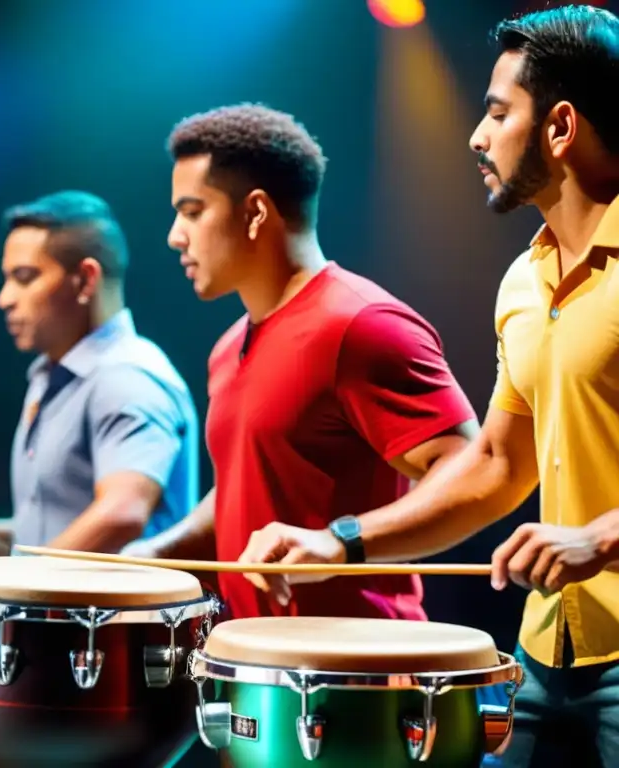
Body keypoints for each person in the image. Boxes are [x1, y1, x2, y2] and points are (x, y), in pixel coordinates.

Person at [237, 6, 619, 766]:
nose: (477, 136)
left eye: (499, 112)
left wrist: (598, 536)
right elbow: (497, 466)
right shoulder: (521, 283)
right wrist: (341, 540)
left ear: (561, 127)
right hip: (547, 653)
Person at [124, 103, 478, 625]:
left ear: (257, 211)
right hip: (255, 671)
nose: (175, 235)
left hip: (357, 677)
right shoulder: (227, 346)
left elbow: (469, 468)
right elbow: (251, 486)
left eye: (193, 211)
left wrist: (342, 542)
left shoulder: (362, 323)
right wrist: (157, 554)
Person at [0, 191, 199, 556]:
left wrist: (17, 579)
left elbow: (122, 513)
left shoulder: (126, 377)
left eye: (25, 277)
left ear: (85, 280)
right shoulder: (50, 375)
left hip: (119, 615)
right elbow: (64, 522)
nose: (5, 298)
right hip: (63, 612)